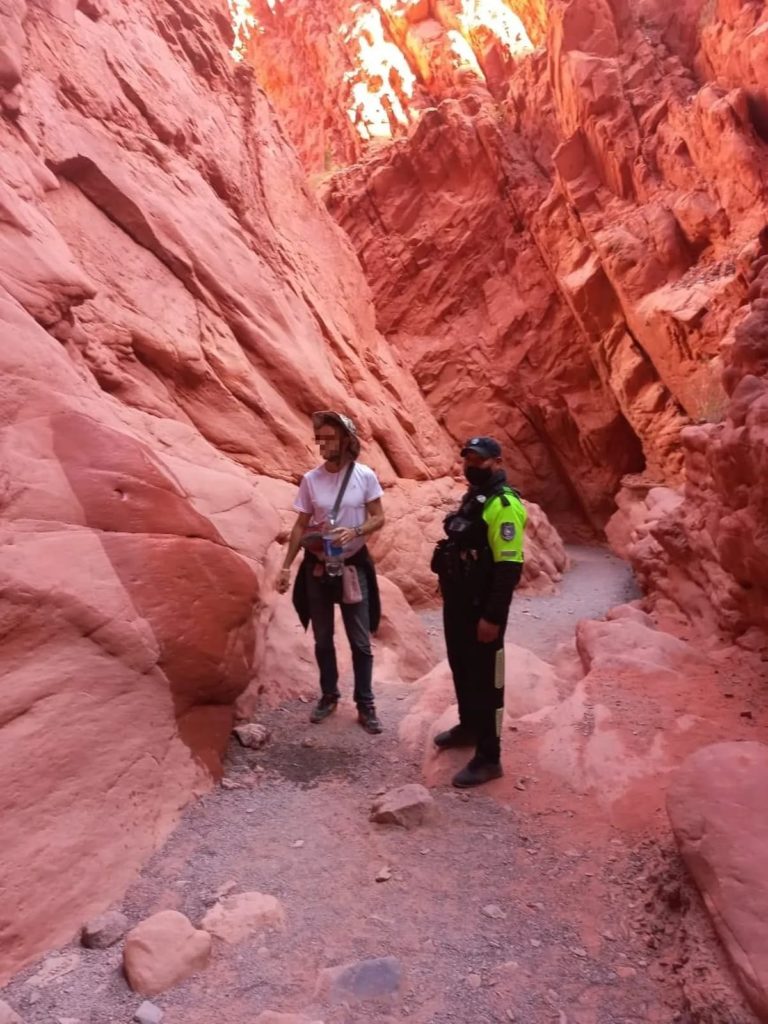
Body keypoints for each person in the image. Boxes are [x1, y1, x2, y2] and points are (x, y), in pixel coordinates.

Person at [277, 411, 386, 733]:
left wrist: (354, 532)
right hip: (319, 567)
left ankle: (365, 704)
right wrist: (286, 566)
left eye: (328, 437)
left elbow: (379, 517)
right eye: (319, 437)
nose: (321, 443)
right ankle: (329, 696)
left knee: (360, 641)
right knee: (323, 638)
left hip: (353, 566)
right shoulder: (311, 480)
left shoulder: (364, 476)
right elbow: (299, 526)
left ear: (346, 440)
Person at [431, 436, 527, 787]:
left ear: (497, 462)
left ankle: (489, 756)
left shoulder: (505, 505)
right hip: (459, 603)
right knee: (462, 667)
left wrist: (493, 617)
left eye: (480, 460)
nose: (472, 466)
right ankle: (469, 726)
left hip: (482, 610)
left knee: (488, 682)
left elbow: (508, 567)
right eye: (468, 459)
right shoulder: (475, 498)